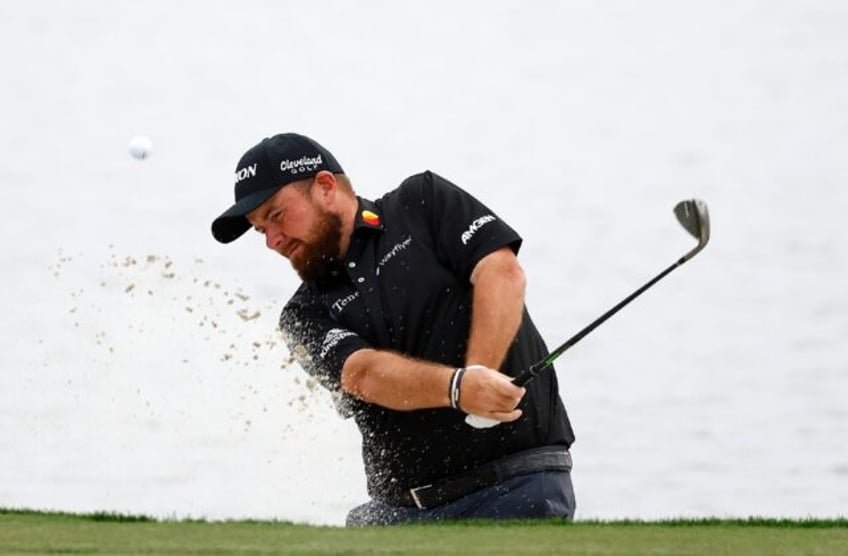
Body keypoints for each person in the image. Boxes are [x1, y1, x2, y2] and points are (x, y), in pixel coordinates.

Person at [211, 133, 576, 525]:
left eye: (276, 215)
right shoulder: (303, 314)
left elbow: (502, 273)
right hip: (402, 513)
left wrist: (479, 376)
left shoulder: (423, 202)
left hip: (517, 484)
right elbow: (361, 374)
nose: (272, 241)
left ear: (325, 187)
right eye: (259, 229)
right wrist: (459, 389)